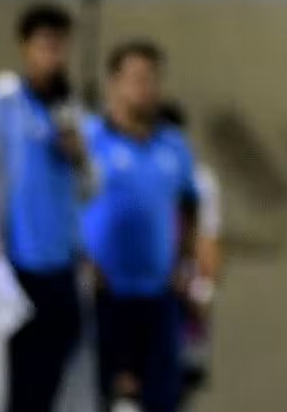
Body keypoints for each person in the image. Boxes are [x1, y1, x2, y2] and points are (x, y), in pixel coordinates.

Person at [0, 3, 91, 412]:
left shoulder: (68, 109)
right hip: (15, 265)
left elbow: (92, 187)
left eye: (60, 46)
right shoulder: (1, 103)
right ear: (25, 47)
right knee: (13, 380)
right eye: (45, 45)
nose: (53, 56)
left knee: (56, 374)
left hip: (61, 264)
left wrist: (79, 154)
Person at [81, 41, 200, 412]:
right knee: (103, 395)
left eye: (151, 79)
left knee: (162, 398)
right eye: (136, 79)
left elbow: (190, 203)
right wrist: (82, 261)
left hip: (157, 294)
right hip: (104, 294)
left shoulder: (173, 145)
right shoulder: (89, 139)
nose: (145, 88)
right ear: (114, 84)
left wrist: (183, 263)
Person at [157, 101, 222, 403]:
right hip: (139, 291)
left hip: (182, 295)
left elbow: (208, 240)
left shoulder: (199, 180)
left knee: (178, 383)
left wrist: (203, 291)